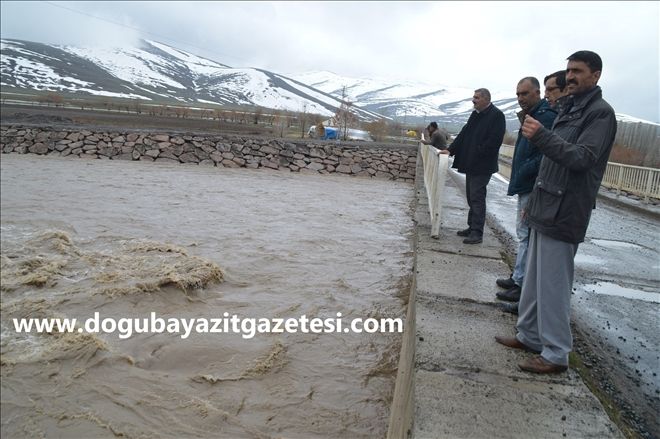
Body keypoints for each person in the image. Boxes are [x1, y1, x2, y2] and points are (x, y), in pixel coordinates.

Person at [495, 51, 617, 374]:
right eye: (568, 71)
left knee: (553, 285)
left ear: (596, 75)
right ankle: (530, 336)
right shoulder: (570, 109)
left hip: (565, 211)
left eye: (577, 71)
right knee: (534, 282)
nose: (570, 77)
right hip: (544, 206)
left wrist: (542, 136)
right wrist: (532, 205)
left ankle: (556, 353)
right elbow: (550, 164)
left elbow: (581, 158)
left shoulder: (600, 114)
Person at [495, 77, 557, 306]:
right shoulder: (534, 116)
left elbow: (546, 154)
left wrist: (524, 170)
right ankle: (518, 278)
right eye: (518, 94)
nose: (520, 98)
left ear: (537, 93)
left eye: (525, 94)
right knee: (524, 234)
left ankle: (521, 285)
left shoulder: (545, 117)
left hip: (533, 184)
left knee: (527, 235)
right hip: (527, 182)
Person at [448, 88, 506, 244]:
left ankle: (477, 233)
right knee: (471, 196)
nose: (473, 100)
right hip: (471, 163)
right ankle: (471, 226)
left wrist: (477, 153)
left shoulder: (497, 116)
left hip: (482, 165)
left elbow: (494, 142)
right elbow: (464, 134)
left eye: (477, 98)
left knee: (477, 197)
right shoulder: (476, 114)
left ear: (486, 99)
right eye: (473, 97)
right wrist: (450, 150)